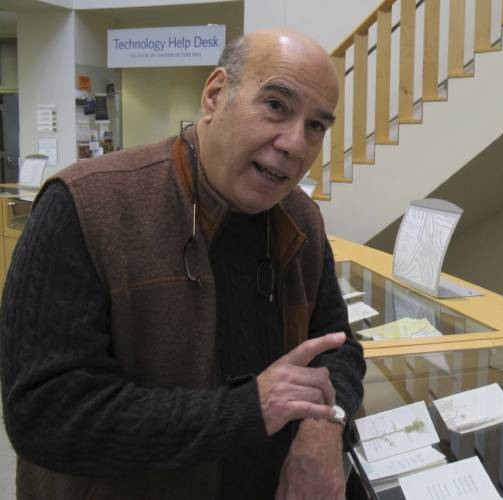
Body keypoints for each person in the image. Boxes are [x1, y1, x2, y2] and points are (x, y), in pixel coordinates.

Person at [0, 28, 365, 500]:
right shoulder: (84, 206)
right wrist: (246, 409)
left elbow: (338, 349)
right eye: (276, 105)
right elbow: (46, 414)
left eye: (316, 125)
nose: (296, 143)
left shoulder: (300, 219)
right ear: (215, 95)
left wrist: (326, 424)